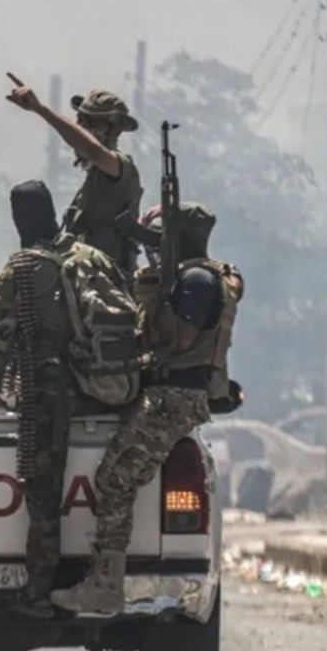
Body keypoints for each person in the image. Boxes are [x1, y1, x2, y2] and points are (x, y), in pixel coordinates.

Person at [50, 203, 244, 615]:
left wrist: (156, 295)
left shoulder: (196, 280)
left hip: (173, 397)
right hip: (173, 395)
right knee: (118, 476)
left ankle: (105, 585)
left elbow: (177, 340)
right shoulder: (202, 276)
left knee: (114, 479)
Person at [0, 181, 133, 617]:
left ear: (18, 220)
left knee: (43, 495)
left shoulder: (21, 267)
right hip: (99, 391)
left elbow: (1, 339)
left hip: (47, 393)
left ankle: (38, 592)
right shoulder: (90, 257)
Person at [4, 82, 145, 275]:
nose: (82, 129)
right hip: (80, 280)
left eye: (92, 125)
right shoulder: (91, 182)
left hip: (108, 285)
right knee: (29, 196)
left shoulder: (122, 169)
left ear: (115, 130)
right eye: (80, 122)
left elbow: (92, 149)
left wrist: (41, 109)